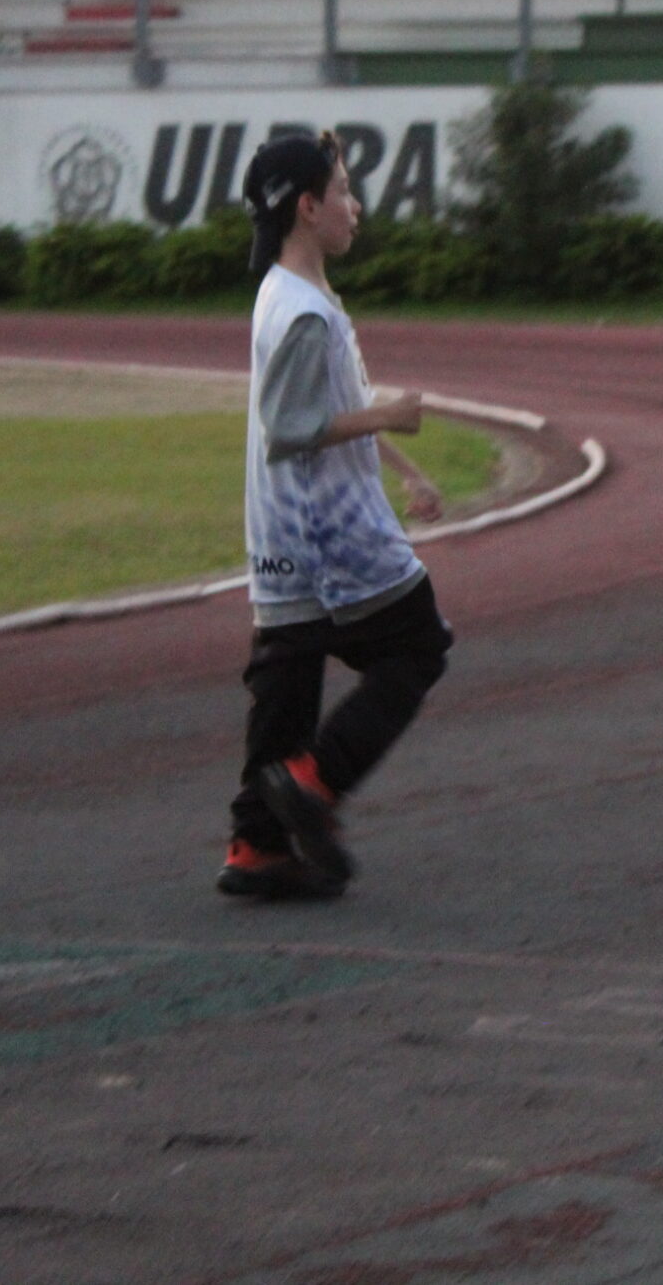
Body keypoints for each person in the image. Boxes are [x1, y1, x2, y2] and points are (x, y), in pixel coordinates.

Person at [219, 131, 451, 902]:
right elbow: (292, 427)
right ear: (308, 206)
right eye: (344, 191)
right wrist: (393, 413)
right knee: (417, 646)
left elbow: (327, 403)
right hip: (332, 535)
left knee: (286, 685)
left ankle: (257, 844)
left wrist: (407, 468)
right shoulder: (307, 313)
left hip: (281, 532)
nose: (355, 206)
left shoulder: (286, 296)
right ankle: (317, 782)